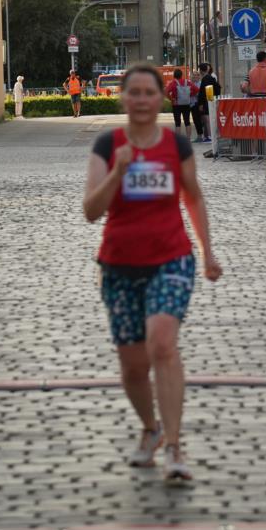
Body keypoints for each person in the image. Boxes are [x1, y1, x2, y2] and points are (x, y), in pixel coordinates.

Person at [83, 63, 222, 484]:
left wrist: (207, 251)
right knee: (132, 366)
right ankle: (151, 428)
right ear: (123, 98)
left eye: (149, 92)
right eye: (135, 92)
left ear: (161, 97)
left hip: (171, 259)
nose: (142, 100)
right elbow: (92, 211)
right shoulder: (108, 145)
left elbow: (193, 199)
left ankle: (176, 446)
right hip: (119, 265)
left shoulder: (175, 147)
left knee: (162, 343)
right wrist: (119, 172)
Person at [165, 68, 197, 140]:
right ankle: (188, 138)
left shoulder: (173, 83)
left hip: (176, 104)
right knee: (187, 121)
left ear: (174, 75)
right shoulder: (187, 82)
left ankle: (178, 140)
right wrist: (189, 95)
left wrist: (171, 99)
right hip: (186, 104)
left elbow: (166, 92)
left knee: (177, 122)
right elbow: (196, 90)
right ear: (181, 75)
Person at [196, 62, 220, 143]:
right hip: (210, 100)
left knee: (207, 119)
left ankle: (210, 136)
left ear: (201, 71)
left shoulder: (206, 79)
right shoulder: (211, 78)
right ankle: (209, 135)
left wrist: (201, 103)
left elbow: (203, 92)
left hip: (207, 101)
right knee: (208, 118)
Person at [189, 70, 204, 143]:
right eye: (193, 75)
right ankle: (199, 135)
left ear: (199, 76)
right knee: (195, 120)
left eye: (196, 75)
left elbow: (201, 94)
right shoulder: (190, 83)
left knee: (198, 120)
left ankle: (200, 136)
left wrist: (195, 93)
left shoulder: (200, 84)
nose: (194, 76)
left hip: (197, 104)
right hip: (191, 103)